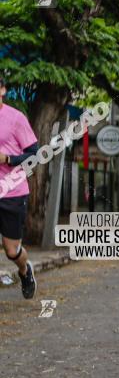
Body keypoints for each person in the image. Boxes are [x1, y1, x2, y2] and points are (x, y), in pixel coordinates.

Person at [0, 77, 38, 299]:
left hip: (13, 192)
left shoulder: (15, 118)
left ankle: (25, 271)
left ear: (2, 90)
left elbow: (35, 154)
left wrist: (8, 158)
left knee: (12, 251)